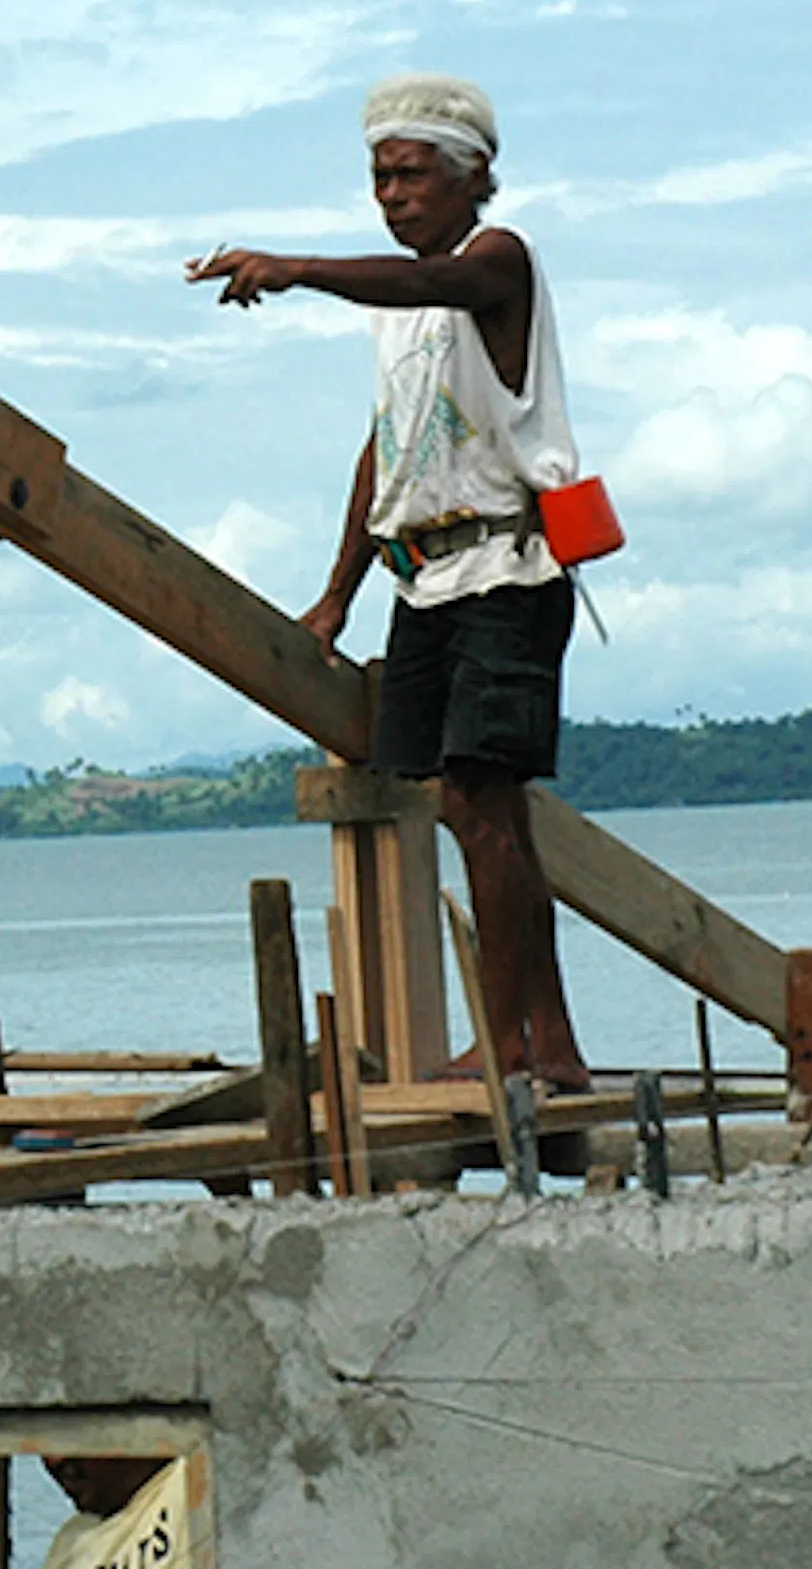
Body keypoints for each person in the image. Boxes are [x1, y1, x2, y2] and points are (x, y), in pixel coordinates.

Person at [186, 73, 591, 1092]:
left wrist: (296, 268)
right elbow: (389, 450)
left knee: (482, 798)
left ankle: (509, 1049)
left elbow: (425, 283)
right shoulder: (394, 318)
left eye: (412, 173)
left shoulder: (498, 260)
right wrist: (338, 592)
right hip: (425, 579)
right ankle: (550, 1042)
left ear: (473, 177)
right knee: (471, 809)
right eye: (380, 176)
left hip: (507, 564)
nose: (393, 193)